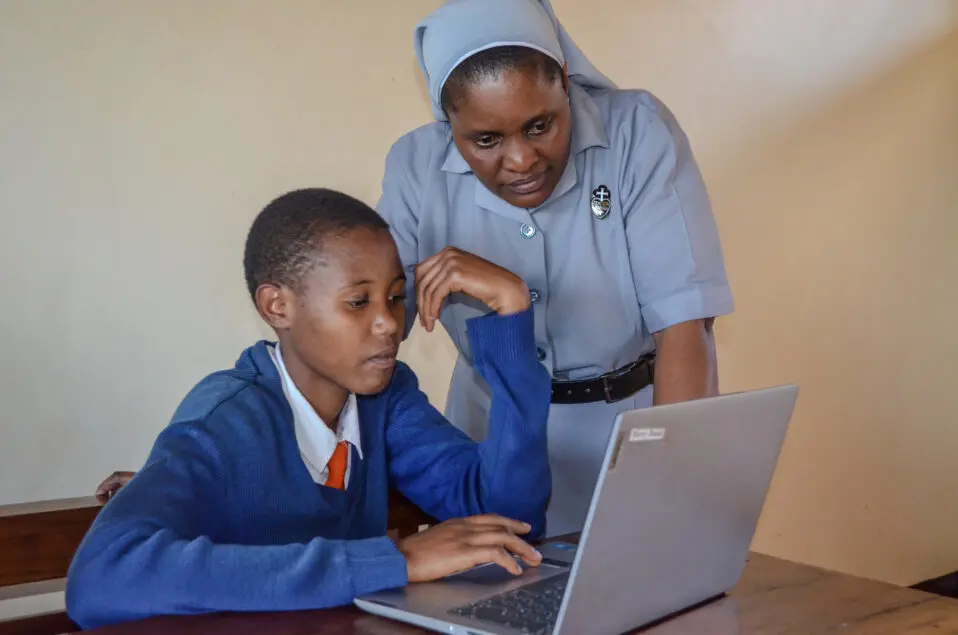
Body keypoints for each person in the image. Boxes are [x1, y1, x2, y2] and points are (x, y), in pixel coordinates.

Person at [95, 0, 735, 537]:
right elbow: (354, 326)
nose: (520, 160)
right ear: (448, 123)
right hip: (491, 435)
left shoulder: (636, 134)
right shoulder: (416, 168)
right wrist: (188, 470)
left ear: (565, 80)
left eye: (540, 125)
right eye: (485, 140)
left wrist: (661, 494)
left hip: (640, 424)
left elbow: (684, 329)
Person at [67, 188, 551, 629]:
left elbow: (507, 519)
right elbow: (100, 578)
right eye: (358, 302)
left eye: (396, 298)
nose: (387, 323)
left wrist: (510, 315)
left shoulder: (383, 399)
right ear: (278, 306)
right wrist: (394, 561)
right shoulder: (225, 420)